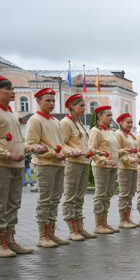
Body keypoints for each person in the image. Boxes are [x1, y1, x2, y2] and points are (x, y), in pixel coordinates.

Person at [0, 76, 31, 257]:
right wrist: (7, 154)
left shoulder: (11, 113)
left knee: (13, 204)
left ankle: (10, 240)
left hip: (16, 165)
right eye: (8, 89)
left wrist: (26, 150)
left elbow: (19, 141)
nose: (13, 92)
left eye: (13, 89)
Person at [25, 87, 73, 248]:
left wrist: (69, 151)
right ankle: (42, 235)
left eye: (53, 100)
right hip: (45, 164)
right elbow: (30, 145)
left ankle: (51, 233)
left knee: (54, 200)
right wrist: (53, 154)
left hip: (59, 163)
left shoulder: (55, 121)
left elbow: (61, 144)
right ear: (38, 101)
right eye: (48, 100)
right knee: (45, 200)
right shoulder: (35, 119)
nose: (52, 103)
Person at [60, 93, 96, 241]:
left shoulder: (79, 123)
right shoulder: (66, 123)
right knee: (71, 197)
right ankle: (72, 229)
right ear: (72, 106)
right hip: (73, 163)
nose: (84, 108)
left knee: (79, 197)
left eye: (84, 105)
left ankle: (79, 226)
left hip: (82, 163)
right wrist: (71, 151)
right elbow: (61, 143)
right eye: (81, 105)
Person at [87, 105, 121, 234]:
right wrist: (104, 161)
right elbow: (91, 150)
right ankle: (98, 224)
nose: (111, 118)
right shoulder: (96, 131)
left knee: (108, 194)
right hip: (101, 167)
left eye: (111, 115)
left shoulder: (110, 131)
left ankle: (104, 222)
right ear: (99, 116)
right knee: (101, 195)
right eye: (108, 115)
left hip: (112, 166)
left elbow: (114, 150)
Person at [114, 113, 140, 229]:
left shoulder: (131, 135)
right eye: (127, 122)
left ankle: (128, 218)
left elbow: (134, 151)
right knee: (124, 194)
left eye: (131, 122)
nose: (130, 124)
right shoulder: (118, 134)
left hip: (133, 167)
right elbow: (118, 152)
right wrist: (132, 159)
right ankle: (122, 220)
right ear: (120, 122)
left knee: (130, 194)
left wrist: (138, 158)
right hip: (124, 167)